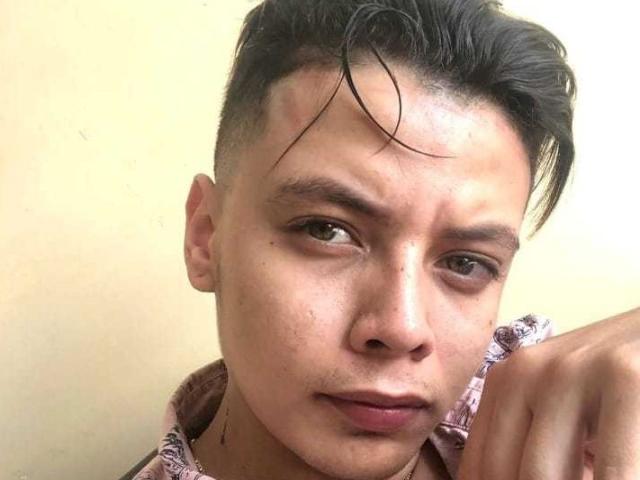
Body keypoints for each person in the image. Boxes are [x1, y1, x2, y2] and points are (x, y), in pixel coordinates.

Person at [123, 1, 640, 479]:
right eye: (327, 230)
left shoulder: (558, 409)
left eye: (465, 262)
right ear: (205, 238)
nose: (402, 328)